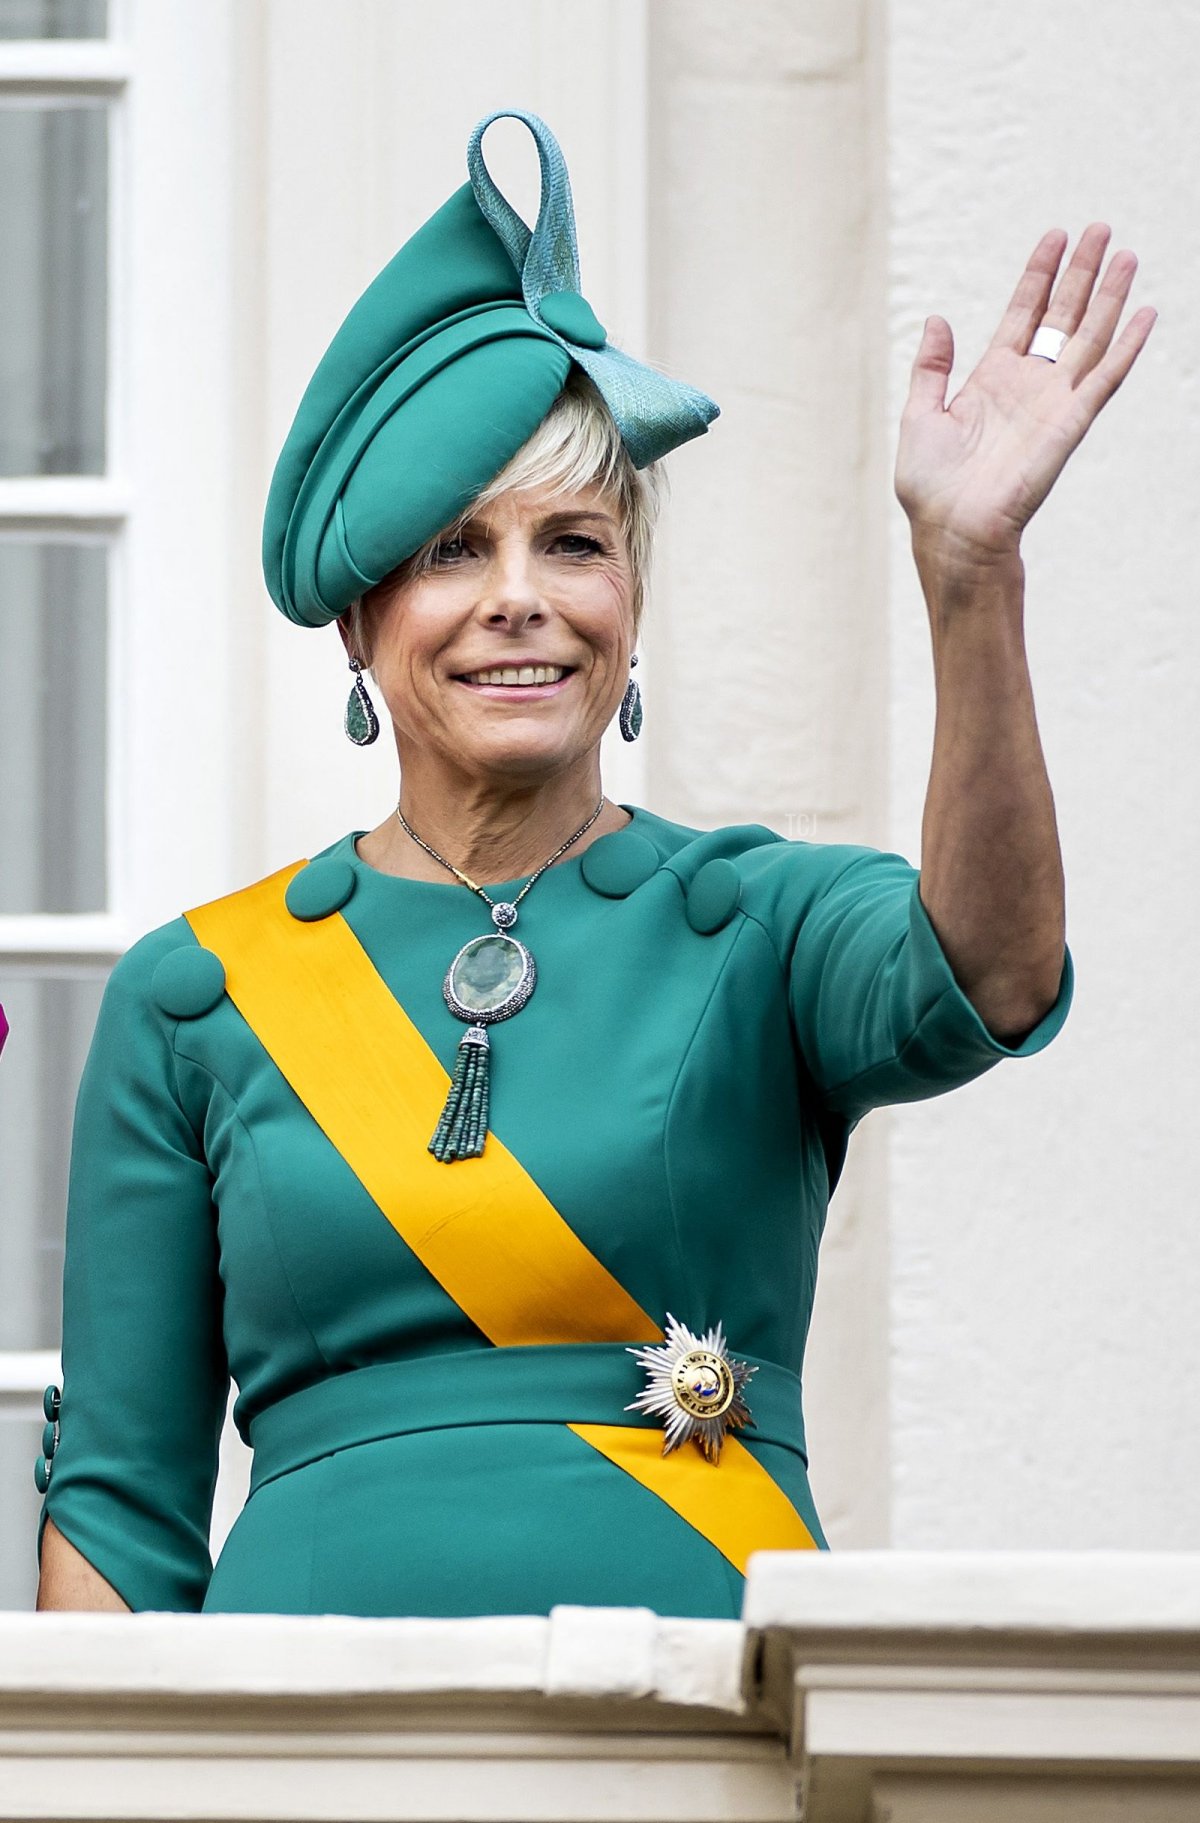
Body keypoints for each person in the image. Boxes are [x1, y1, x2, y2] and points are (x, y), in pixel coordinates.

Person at [34, 109, 1152, 1619]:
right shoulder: (199, 995)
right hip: (293, 1752)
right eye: (450, 551)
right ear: (359, 624)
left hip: (696, 1735)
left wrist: (970, 580)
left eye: (574, 542)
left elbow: (990, 973)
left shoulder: (756, 923)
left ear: (630, 598)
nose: (520, 601)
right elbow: (117, 1509)